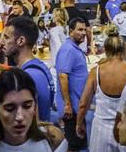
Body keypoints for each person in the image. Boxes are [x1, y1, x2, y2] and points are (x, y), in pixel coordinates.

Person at [75, 31, 126, 152]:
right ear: (124, 49)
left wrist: (79, 124)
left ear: (105, 49)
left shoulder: (96, 72)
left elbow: (83, 104)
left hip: (101, 129)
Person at [0, 68, 66, 152]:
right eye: (10, 108)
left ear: (35, 106)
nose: (19, 117)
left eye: (27, 106)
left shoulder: (53, 138)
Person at [0, 17, 55, 123]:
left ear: (20, 41)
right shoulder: (40, 67)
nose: (1, 43)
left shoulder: (28, 75)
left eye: (6, 38)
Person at [55, 17, 89, 151]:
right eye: (80, 30)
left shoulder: (74, 48)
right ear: (71, 31)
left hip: (77, 106)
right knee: (75, 144)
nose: (84, 33)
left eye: (85, 30)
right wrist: (67, 104)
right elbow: (63, 76)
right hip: (72, 109)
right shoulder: (68, 49)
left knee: (78, 143)